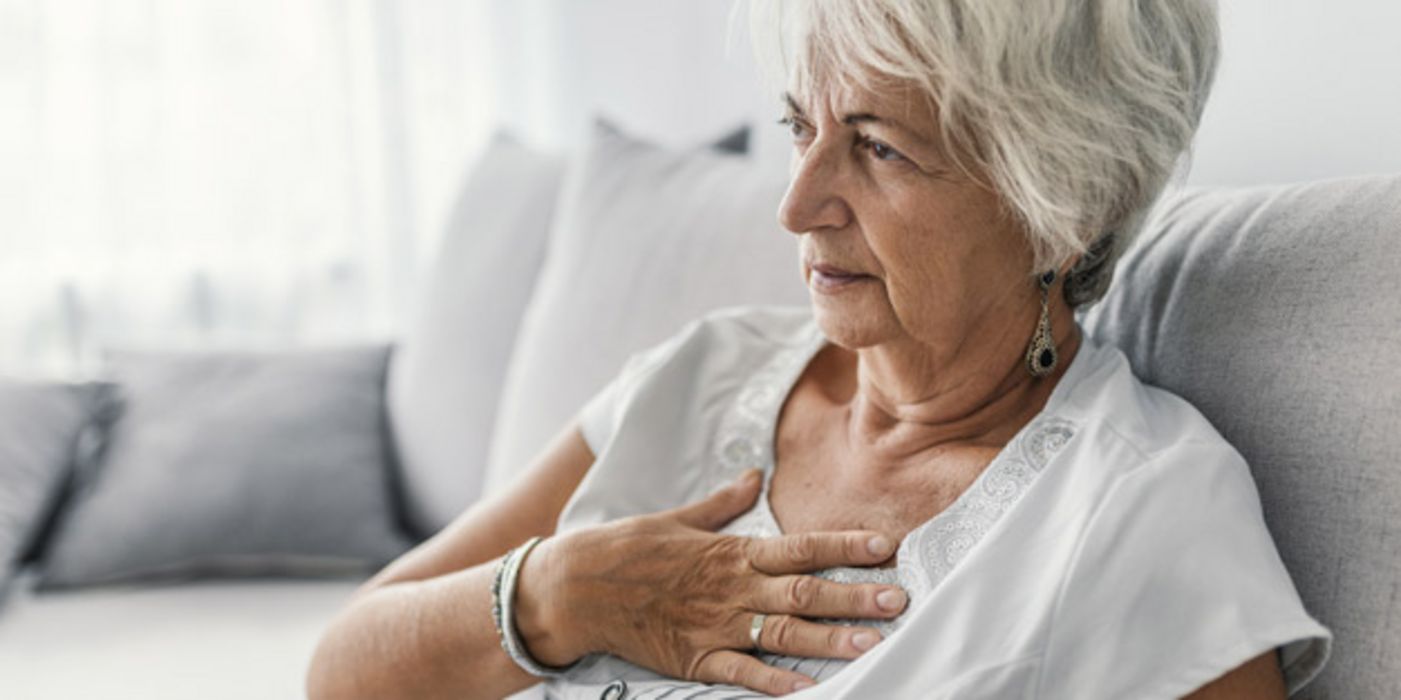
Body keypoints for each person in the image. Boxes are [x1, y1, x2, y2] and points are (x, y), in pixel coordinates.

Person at [307, 1, 1333, 697]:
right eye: (801, 127)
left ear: (1066, 204)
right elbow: (342, 667)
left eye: (880, 147)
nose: (797, 204)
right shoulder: (701, 373)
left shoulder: (1140, 509)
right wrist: (562, 592)